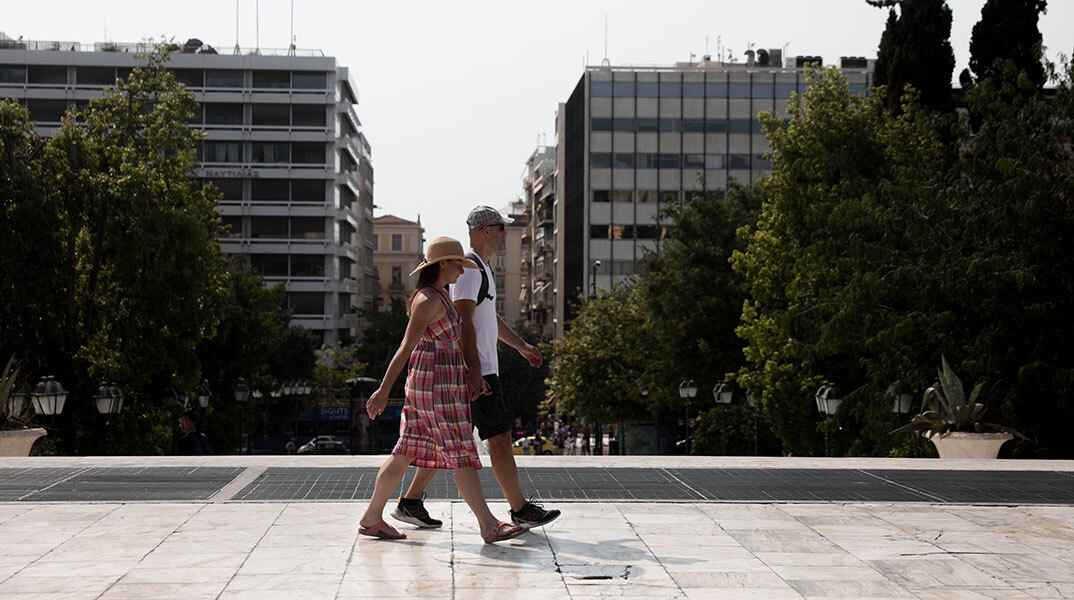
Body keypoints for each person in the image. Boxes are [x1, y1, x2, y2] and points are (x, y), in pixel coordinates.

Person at [393, 206, 560, 530]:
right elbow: (464, 321)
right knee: (497, 436)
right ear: (486, 230)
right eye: (501, 228)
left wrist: (521, 346)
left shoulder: (481, 269)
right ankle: (519, 508)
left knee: (444, 440)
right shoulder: (470, 271)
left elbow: (488, 319)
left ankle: (411, 501)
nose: (504, 234)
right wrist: (474, 372)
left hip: (478, 367)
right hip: (477, 370)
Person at [358, 236, 526, 544]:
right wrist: (383, 390)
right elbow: (405, 347)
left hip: (437, 384)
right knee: (462, 453)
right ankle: (489, 524)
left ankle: (372, 517)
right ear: (442, 264)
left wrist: (471, 378)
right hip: (435, 388)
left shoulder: (440, 295)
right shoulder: (429, 300)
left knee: (405, 452)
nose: (462, 272)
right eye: (458, 265)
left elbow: (448, 346)